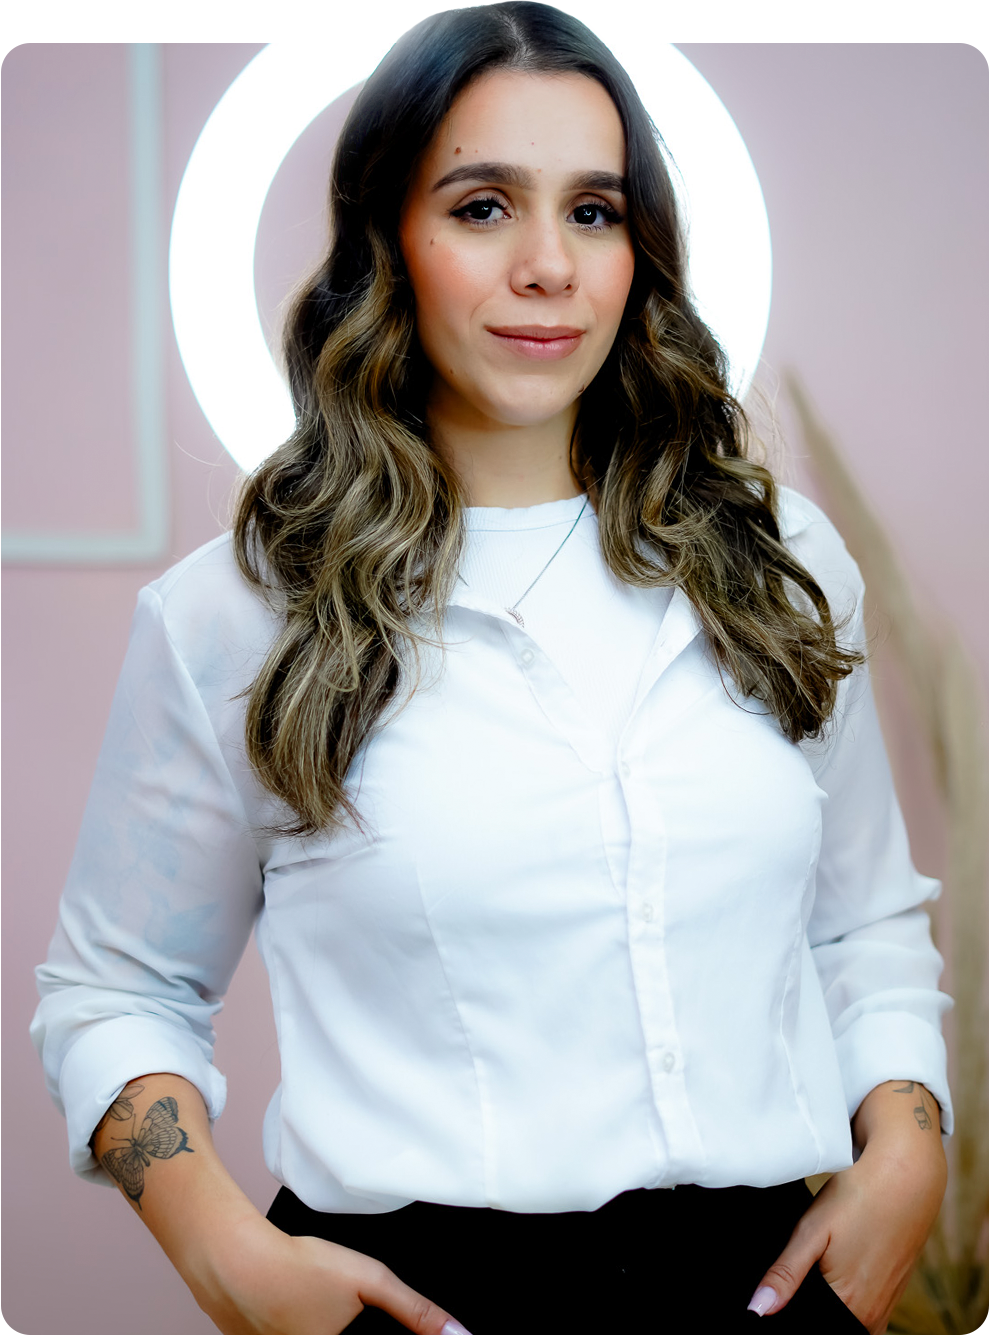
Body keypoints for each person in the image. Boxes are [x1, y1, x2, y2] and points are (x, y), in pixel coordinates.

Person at [32, 9, 952, 1335]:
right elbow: (117, 989)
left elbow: (859, 921)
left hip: (766, 1282)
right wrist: (225, 1256)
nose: (547, 268)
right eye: (480, 208)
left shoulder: (774, 557)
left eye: (592, 212)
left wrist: (909, 1146)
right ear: (383, 242)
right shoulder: (239, 610)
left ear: (639, 249)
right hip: (418, 1300)